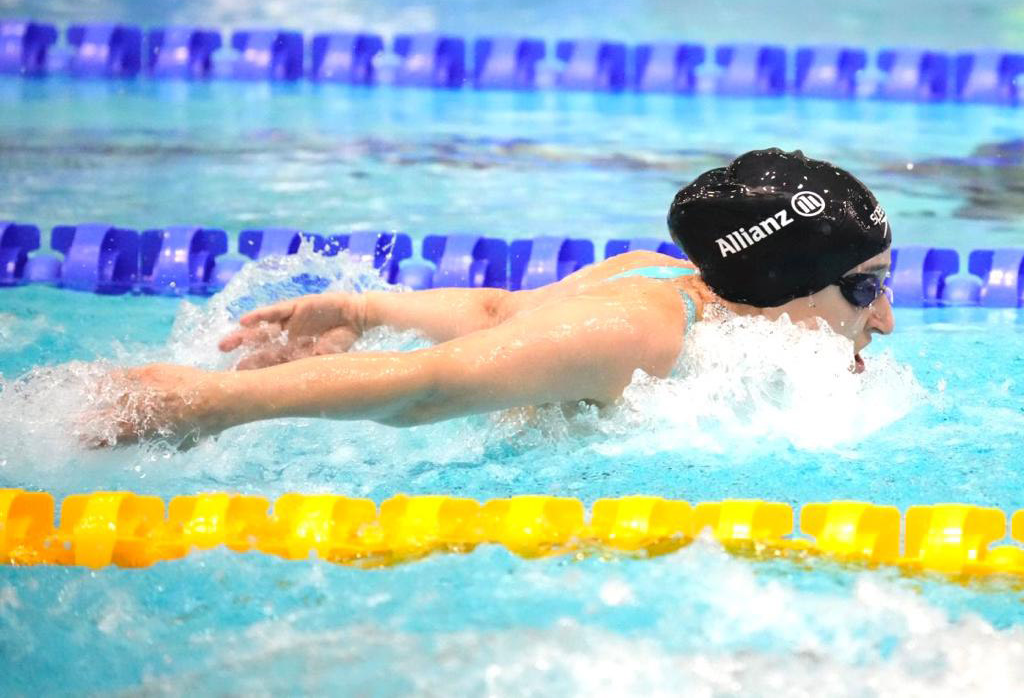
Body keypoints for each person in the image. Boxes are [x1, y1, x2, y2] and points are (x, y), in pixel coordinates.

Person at [87, 149, 894, 446]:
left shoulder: (660, 275)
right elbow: (432, 386)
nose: (885, 320)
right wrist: (214, 401)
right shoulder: (641, 333)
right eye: (864, 289)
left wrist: (366, 313)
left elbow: (500, 312)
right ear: (779, 287)